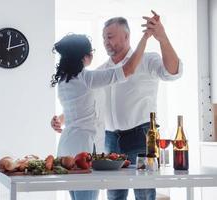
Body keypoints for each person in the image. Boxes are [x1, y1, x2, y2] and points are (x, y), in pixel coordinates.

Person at [51, 11, 183, 200]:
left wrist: (161, 37)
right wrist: (62, 118)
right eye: (104, 38)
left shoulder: (147, 60)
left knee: (144, 194)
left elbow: (174, 72)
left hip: (141, 137)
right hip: (109, 140)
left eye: (110, 37)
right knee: (113, 196)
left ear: (127, 36)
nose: (105, 42)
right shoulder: (100, 71)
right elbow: (85, 100)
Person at [51, 31, 151, 200]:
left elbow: (77, 108)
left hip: (66, 148)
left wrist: (60, 119)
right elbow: (128, 69)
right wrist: (145, 38)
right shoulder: (87, 78)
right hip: (84, 150)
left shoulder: (64, 80)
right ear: (84, 56)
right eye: (91, 51)